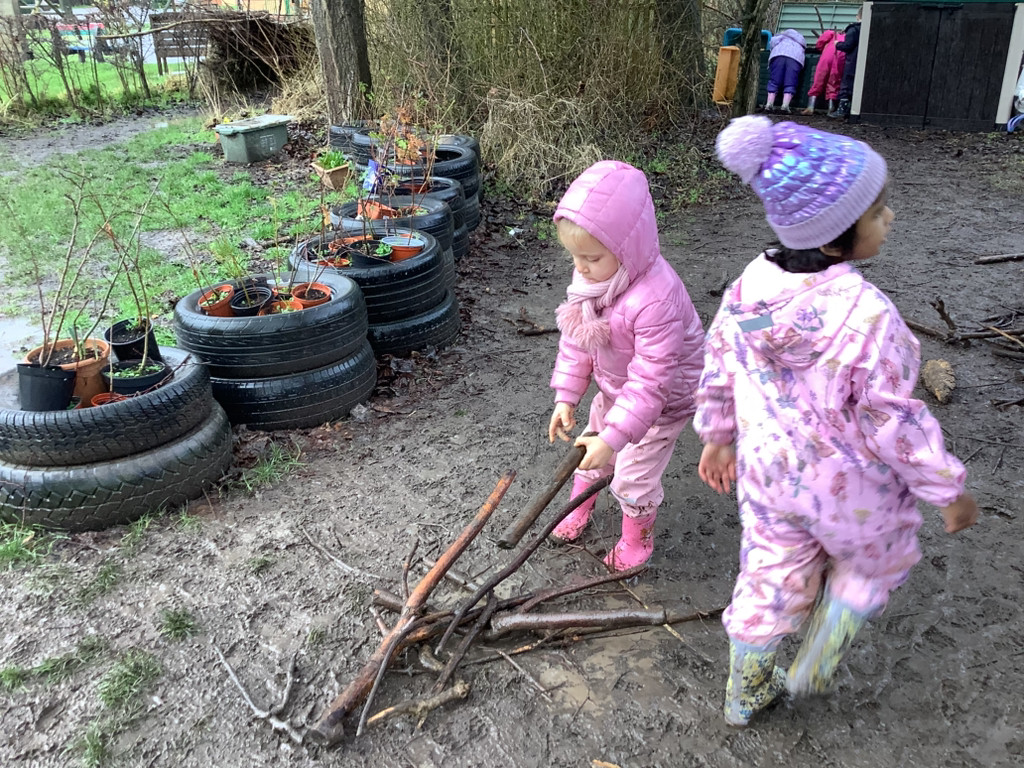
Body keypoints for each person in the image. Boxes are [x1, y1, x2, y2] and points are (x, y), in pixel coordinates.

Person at [700, 116, 979, 727]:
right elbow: (893, 420)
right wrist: (946, 488)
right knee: (873, 561)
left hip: (770, 475)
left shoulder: (750, 291)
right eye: (877, 212)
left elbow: (723, 356)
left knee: (771, 575)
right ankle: (818, 661)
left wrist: (718, 434)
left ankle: (745, 692)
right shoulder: (869, 318)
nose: (890, 218)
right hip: (850, 488)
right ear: (832, 241)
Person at [547, 160, 705, 572]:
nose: (580, 267)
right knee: (591, 446)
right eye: (574, 256)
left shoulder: (656, 300)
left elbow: (651, 381)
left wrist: (614, 437)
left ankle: (638, 542)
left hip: (662, 400)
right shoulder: (594, 279)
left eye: (591, 257)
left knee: (632, 475)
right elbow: (578, 338)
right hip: (617, 387)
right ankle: (580, 507)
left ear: (627, 249)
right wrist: (567, 396)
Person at [801, 29, 845, 115]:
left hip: (828, 55)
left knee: (819, 78)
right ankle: (831, 108)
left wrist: (820, 47)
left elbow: (821, 41)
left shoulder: (833, 33)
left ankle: (810, 106)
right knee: (834, 81)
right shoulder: (848, 37)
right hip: (841, 57)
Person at [763, 29, 806, 114]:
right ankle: (785, 106)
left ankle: (769, 104)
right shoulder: (800, 41)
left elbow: (771, 44)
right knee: (790, 82)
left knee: (774, 81)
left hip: (778, 55)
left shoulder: (780, 38)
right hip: (795, 58)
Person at [830, 7, 862, 118]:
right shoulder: (871, 28)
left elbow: (848, 45)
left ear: (857, 16)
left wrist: (837, 44)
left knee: (847, 84)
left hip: (852, 61)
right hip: (864, 61)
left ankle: (842, 109)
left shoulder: (853, 29)